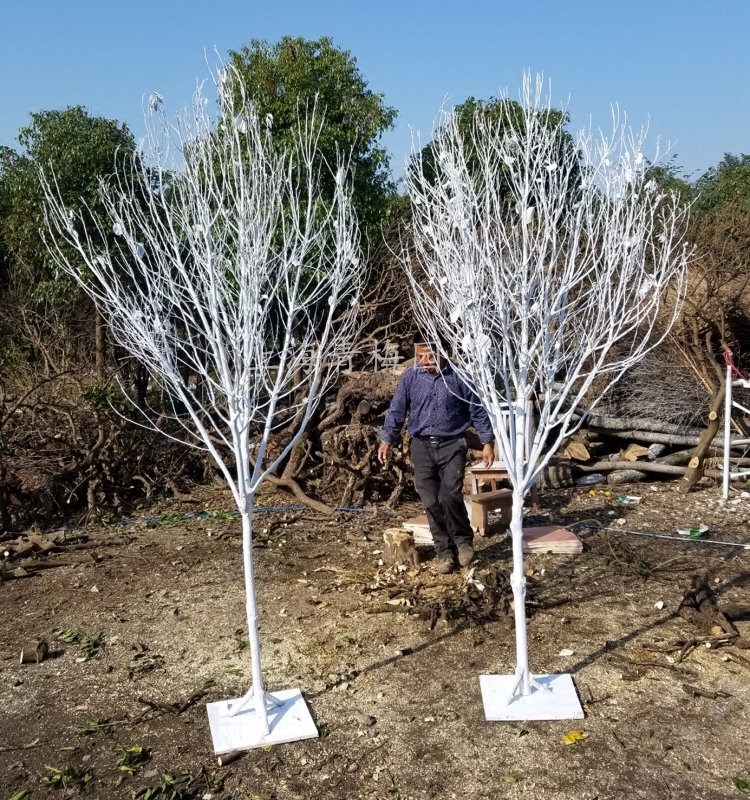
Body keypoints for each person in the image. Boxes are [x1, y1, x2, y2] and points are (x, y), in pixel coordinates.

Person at [377, 336, 495, 573]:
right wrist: (387, 439)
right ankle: (444, 552)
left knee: (450, 495)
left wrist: (487, 442)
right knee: (430, 501)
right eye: (420, 356)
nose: (424, 361)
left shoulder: (460, 377)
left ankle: (463, 542)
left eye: (430, 356)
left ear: (443, 353)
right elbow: (397, 409)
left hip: (453, 444)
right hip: (421, 446)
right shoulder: (411, 377)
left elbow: (478, 411)